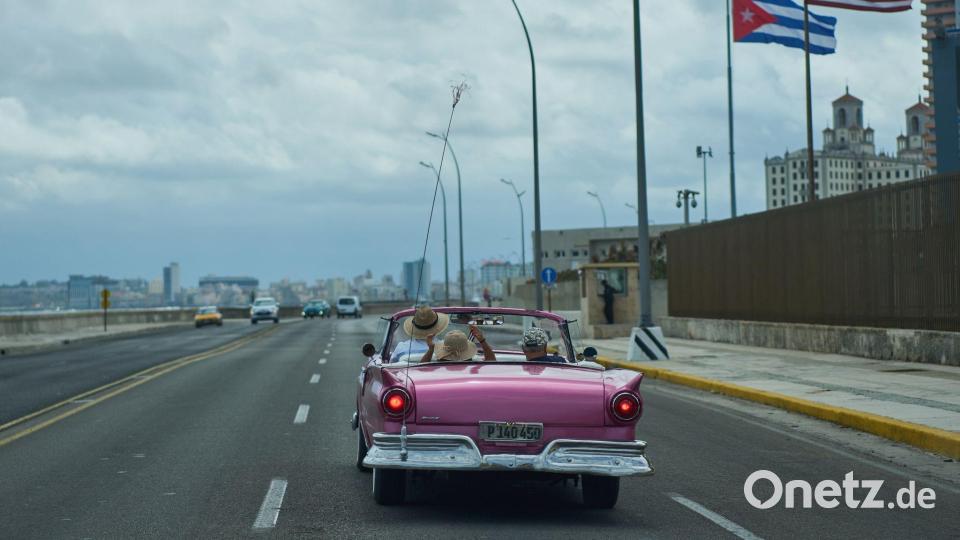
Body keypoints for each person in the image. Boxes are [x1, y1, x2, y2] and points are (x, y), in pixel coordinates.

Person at [420, 325, 496, 363]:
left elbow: (422, 368)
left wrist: (431, 349)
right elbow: (492, 361)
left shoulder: (434, 364)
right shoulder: (475, 362)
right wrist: (482, 341)